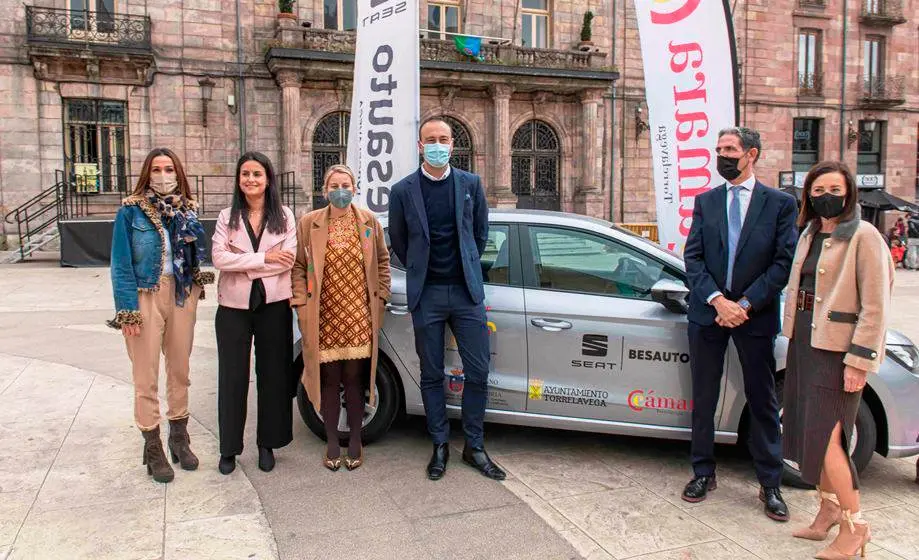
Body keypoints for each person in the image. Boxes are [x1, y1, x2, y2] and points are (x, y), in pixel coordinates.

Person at [682, 127, 798, 520]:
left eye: (729, 149)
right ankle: (702, 472)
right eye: (718, 149)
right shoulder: (706, 202)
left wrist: (744, 304)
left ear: (752, 154)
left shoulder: (780, 204)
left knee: (763, 400)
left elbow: (782, 264)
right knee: (704, 398)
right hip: (708, 314)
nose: (722, 155)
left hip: (755, 316)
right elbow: (693, 259)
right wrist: (717, 299)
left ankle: (770, 483)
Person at [782, 161, 893, 558]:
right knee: (811, 433)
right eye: (817, 190)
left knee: (832, 439)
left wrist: (859, 360)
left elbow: (876, 306)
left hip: (838, 351)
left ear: (848, 193)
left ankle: (855, 526)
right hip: (805, 343)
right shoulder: (810, 232)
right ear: (808, 195)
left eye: (833, 188)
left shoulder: (865, 235)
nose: (825, 196)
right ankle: (827, 509)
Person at [388, 116, 505, 481]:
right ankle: (439, 443)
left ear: (452, 144)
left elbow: (480, 234)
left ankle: (474, 445)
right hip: (429, 295)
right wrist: (424, 271)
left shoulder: (470, 183)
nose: (438, 145)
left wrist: (465, 265)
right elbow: (401, 242)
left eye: (444, 138)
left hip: (467, 293)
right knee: (432, 373)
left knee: (479, 372)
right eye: (431, 139)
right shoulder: (403, 191)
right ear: (420, 146)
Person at [108, 148, 213, 483]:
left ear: (178, 173)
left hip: (182, 293)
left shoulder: (187, 211)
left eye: (169, 169)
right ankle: (152, 445)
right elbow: (121, 265)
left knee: (180, 369)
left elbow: (197, 255)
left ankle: (179, 436)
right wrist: (127, 312)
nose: (163, 175)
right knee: (146, 373)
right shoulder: (131, 212)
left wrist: (196, 290)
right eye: (157, 169)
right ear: (147, 173)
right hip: (145, 295)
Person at [291, 164, 390, 471]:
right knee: (329, 381)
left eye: (345, 185)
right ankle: (333, 441)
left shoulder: (369, 222)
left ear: (355, 188)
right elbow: (298, 266)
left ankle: (356, 440)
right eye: (334, 185)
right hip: (324, 316)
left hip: (360, 315)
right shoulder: (309, 223)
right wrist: (301, 304)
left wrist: (382, 297)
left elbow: (383, 262)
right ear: (325, 190)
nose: (340, 190)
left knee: (355, 380)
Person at [211, 152, 297, 475]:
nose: (250, 180)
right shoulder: (226, 217)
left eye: (257, 174)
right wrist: (263, 260)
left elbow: (288, 258)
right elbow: (219, 258)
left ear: (268, 179)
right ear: (238, 180)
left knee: (274, 375)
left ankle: (267, 444)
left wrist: (243, 260)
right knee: (232, 377)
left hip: (274, 306)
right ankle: (229, 448)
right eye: (245, 174)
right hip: (233, 308)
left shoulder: (285, 216)